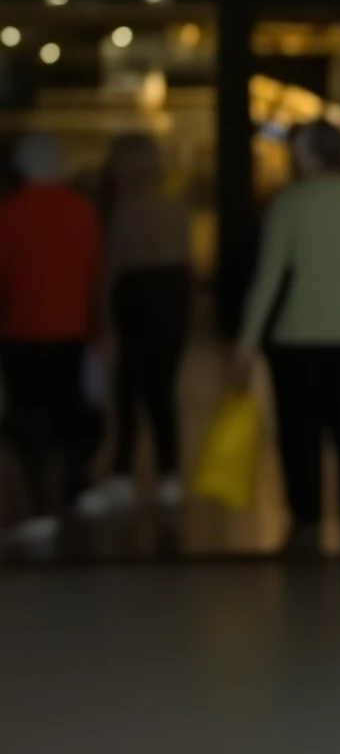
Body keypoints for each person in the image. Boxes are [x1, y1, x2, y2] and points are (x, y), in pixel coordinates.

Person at [235, 120, 340, 561]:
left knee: (299, 435)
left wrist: (246, 342)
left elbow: (268, 278)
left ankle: (306, 525)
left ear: (304, 155)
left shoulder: (290, 202)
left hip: (299, 337)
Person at [76, 133, 191, 515]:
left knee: (128, 392)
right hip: (172, 301)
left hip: (134, 302)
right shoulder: (174, 208)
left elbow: (108, 275)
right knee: (162, 391)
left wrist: (103, 323)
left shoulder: (117, 211)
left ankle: (124, 473)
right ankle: (169, 474)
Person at [0, 131, 103, 548]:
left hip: (21, 329)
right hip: (73, 329)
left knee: (29, 416)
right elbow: (97, 272)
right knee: (71, 411)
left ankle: (40, 502)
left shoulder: (9, 214)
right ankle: (74, 485)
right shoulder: (83, 211)